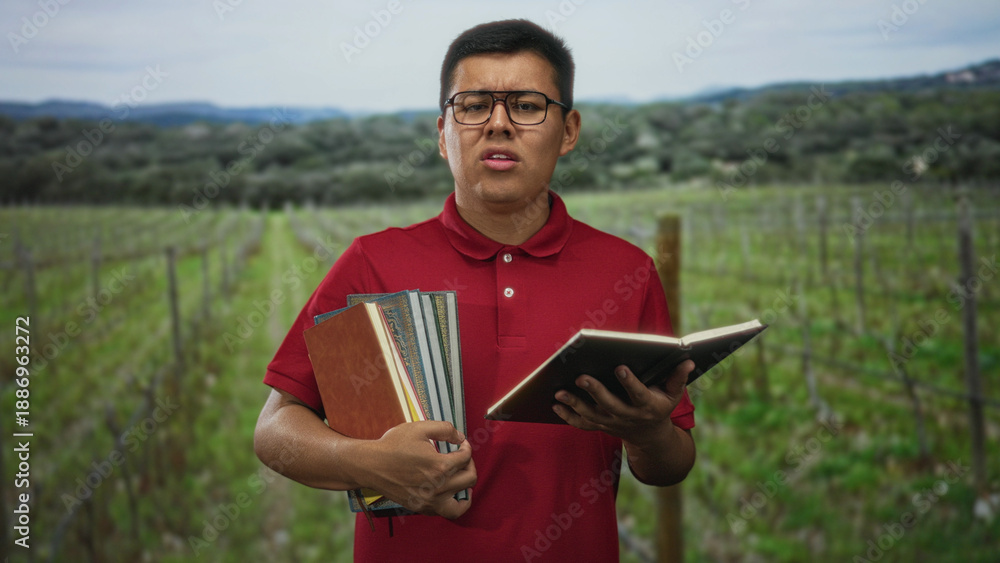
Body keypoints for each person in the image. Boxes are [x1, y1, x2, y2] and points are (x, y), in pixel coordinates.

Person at [254, 19, 696, 562]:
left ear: (570, 130)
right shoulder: (373, 262)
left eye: (528, 105)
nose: (499, 125)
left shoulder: (626, 271)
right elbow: (275, 428)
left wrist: (649, 432)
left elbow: (669, 466)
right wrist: (368, 463)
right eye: (474, 104)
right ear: (442, 132)